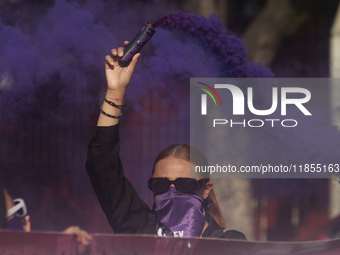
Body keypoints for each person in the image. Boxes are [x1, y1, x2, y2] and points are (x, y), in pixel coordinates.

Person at [86, 41, 246, 240]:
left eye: (185, 184)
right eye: (160, 185)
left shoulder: (227, 242)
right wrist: (115, 91)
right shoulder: (139, 228)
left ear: (206, 189)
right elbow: (101, 164)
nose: (172, 193)